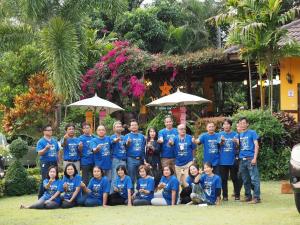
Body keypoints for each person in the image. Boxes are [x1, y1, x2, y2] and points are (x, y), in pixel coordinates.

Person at [238, 117, 261, 204]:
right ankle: (248, 196)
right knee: (245, 179)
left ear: (247, 124)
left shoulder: (252, 133)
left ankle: (256, 198)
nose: (242, 125)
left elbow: (256, 145)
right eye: (240, 123)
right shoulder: (240, 134)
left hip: (250, 158)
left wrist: (255, 158)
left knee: (254, 179)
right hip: (242, 160)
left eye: (244, 123)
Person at [218, 119, 241, 201]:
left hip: (233, 160)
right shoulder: (220, 134)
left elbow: (239, 147)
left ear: (230, 125)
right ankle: (225, 196)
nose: (226, 126)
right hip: (222, 161)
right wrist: (222, 141)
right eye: (224, 124)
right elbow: (219, 145)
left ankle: (237, 195)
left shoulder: (235, 134)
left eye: (228, 124)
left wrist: (237, 142)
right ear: (223, 126)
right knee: (224, 179)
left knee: (235, 178)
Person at [36, 125, 60, 198]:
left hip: (54, 162)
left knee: (55, 178)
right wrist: (45, 149)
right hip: (45, 162)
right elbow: (39, 153)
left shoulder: (54, 140)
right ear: (44, 131)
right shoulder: (41, 141)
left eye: (51, 130)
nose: (50, 131)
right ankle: (41, 197)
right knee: (45, 179)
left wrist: (58, 160)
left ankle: (54, 196)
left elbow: (58, 150)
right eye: (48, 130)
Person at [173, 124, 197, 188]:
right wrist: (170, 143)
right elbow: (170, 145)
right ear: (178, 130)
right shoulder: (175, 138)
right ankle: (180, 196)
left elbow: (194, 148)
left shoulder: (190, 137)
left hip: (188, 163)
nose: (183, 130)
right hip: (178, 164)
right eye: (181, 129)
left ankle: (189, 196)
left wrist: (193, 158)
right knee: (179, 182)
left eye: (184, 129)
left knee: (187, 182)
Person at [124, 119, 146, 187]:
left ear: (138, 126)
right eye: (132, 125)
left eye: (135, 125)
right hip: (131, 159)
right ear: (130, 127)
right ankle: (131, 193)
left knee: (141, 176)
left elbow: (143, 149)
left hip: (140, 159)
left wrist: (144, 159)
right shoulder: (127, 136)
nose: (134, 126)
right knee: (131, 177)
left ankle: (140, 191)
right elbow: (125, 146)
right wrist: (128, 143)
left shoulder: (142, 136)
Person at [110, 121, 127, 191]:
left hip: (123, 160)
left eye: (120, 126)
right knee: (114, 177)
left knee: (123, 177)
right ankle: (112, 194)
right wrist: (115, 140)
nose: (119, 128)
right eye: (117, 126)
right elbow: (112, 143)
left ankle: (121, 194)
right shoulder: (112, 137)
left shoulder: (124, 137)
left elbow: (126, 146)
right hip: (116, 160)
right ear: (114, 128)